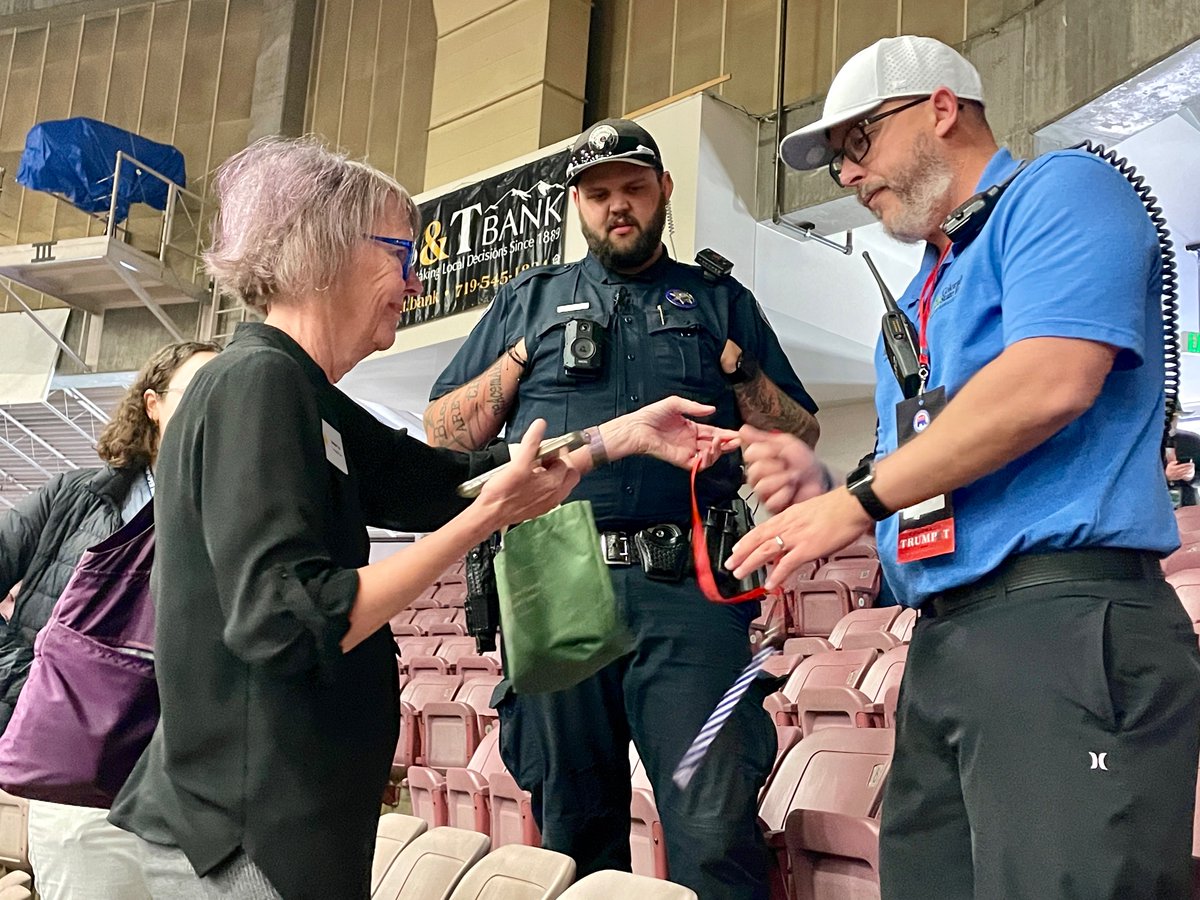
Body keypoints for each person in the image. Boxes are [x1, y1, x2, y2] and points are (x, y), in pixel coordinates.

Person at [107, 136, 721, 900]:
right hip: (243, 837)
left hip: (282, 829)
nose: (415, 275)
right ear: (324, 251)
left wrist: (612, 439)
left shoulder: (298, 390)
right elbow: (287, 620)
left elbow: (444, 481)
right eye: (399, 250)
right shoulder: (257, 383)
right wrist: (477, 525)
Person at [725, 35, 1200, 899]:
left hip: (1064, 620)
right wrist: (826, 488)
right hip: (948, 638)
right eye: (836, 158)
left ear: (941, 108)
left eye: (858, 142)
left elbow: (1051, 378)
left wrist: (858, 500)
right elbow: (928, 466)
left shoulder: (1062, 190)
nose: (845, 175)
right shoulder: (913, 302)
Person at [425, 118, 819, 898]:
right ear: (578, 203)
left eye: (633, 188)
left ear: (664, 191)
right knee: (575, 828)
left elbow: (799, 429)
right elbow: (442, 432)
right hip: (558, 579)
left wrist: (736, 365)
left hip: (692, 591)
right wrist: (516, 356)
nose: (618, 207)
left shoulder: (717, 299)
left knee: (714, 827)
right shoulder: (528, 302)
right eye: (599, 193)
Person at [0, 340, 219, 900]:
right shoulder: (74, 497)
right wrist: (27, 681)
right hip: (84, 789)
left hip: (195, 795)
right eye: (198, 391)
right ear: (152, 404)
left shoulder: (245, 507)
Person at [1164, 400, 1199, 506]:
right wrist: (1164, 477)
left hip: (1187, 510)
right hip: (1150, 512)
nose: (1170, 423)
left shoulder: (1192, 441)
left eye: (1174, 417)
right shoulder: (1138, 446)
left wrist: (1192, 477)